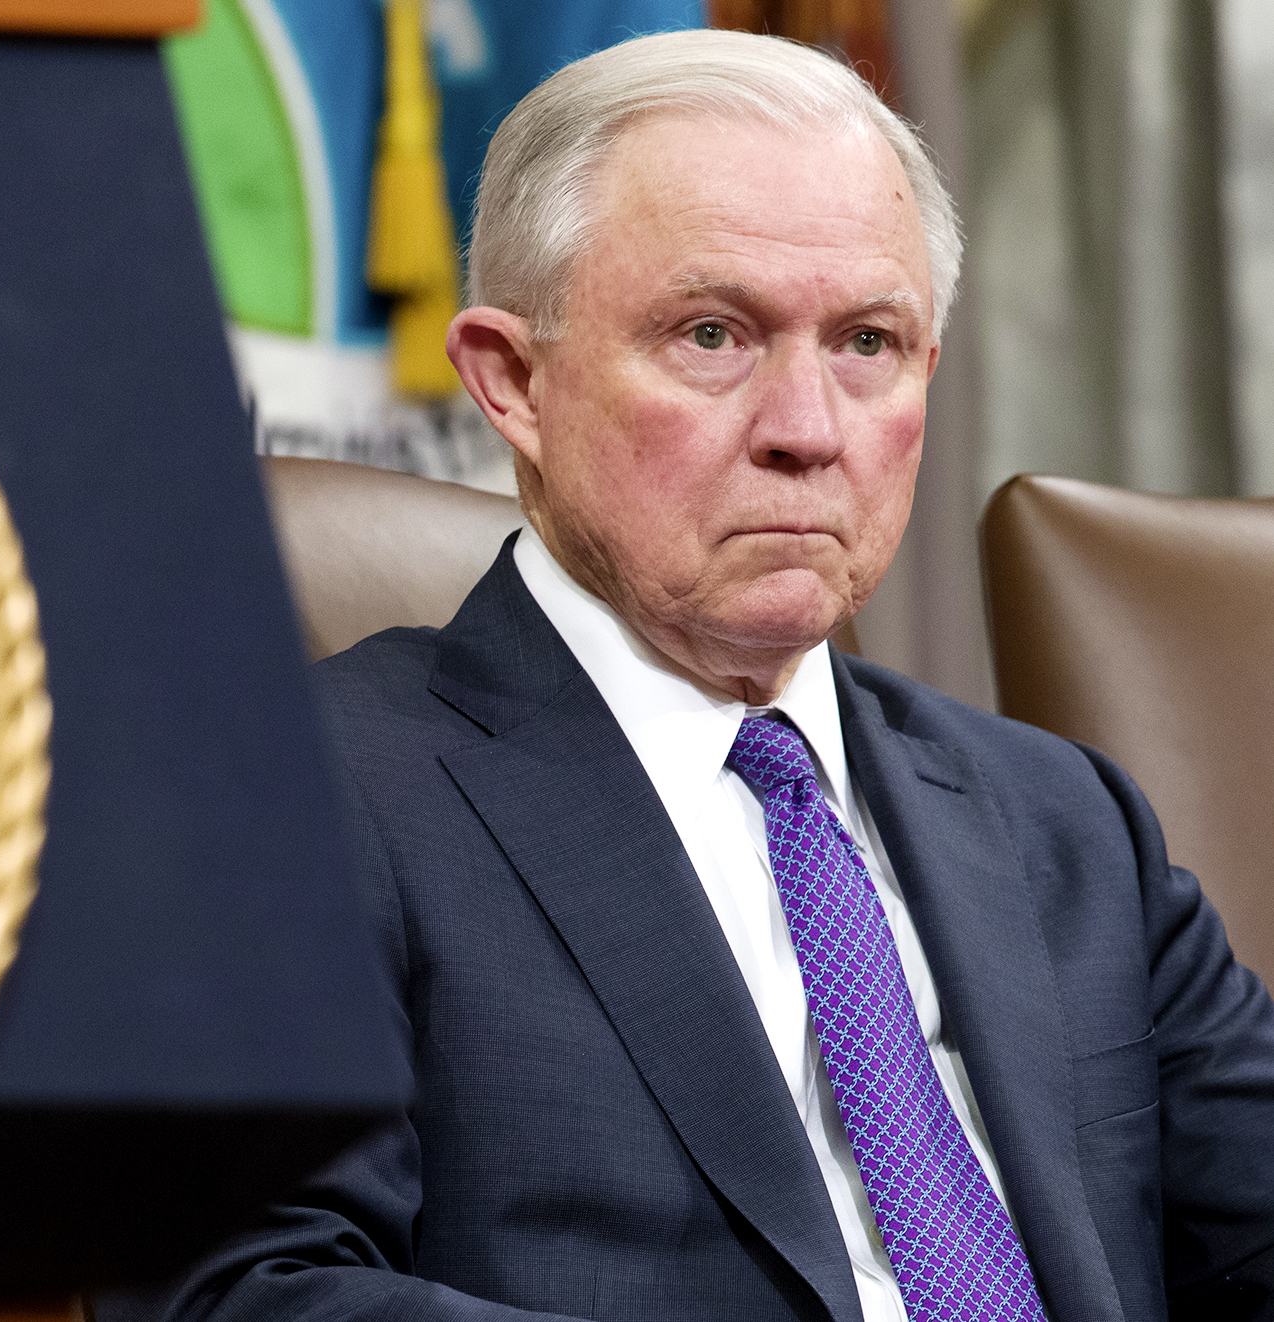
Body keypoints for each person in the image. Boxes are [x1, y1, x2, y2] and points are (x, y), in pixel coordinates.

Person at [103, 27, 1274, 1322]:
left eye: (867, 343)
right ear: (513, 382)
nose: (806, 429)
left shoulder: (1067, 822)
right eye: (712, 334)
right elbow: (236, 1291)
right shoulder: (304, 796)